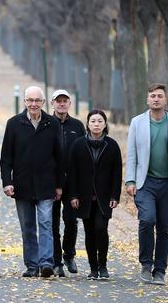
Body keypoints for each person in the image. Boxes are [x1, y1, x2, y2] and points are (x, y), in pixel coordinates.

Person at [125, 83, 168, 286]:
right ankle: (146, 264)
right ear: (147, 99)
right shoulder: (137, 122)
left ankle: (160, 270)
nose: (156, 99)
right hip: (146, 182)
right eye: (152, 96)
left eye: (159, 96)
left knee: (164, 227)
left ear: (166, 99)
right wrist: (130, 180)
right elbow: (132, 153)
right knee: (147, 220)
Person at [1, 85, 63, 278]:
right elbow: (6, 157)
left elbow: (59, 156)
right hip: (22, 184)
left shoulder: (52, 123)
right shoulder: (14, 123)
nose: (34, 104)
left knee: (45, 223)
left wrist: (60, 184)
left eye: (37, 101)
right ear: (25, 102)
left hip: (46, 184)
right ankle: (31, 265)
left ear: (43, 103)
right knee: (27, 226)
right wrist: (7, 181)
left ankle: (46, 263)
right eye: (30, 100)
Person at [68, 110, 122, 280]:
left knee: (101, 228)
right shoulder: (78, 145)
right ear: (88, 124)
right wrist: (73, 195)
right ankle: (93, 268)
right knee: (89, 231)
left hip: (104, 197)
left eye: (100, 121)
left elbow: (117, 173)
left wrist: (115, 196)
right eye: (93, 121)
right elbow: (72, 172)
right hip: (84, 197)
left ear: (105, 124)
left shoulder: (112, 145)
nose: (96, 124)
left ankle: (103, 265)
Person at [50, 89, 85, 277]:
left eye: (65, 101)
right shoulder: (47, 123)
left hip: (73, 182)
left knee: (71, 220)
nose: (61, 104)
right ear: (52, 103)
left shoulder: (77, 126)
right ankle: (56, 262)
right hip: (52, 181)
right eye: (58, 101)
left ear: (69, 104)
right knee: (52, 222)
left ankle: (69, 254)